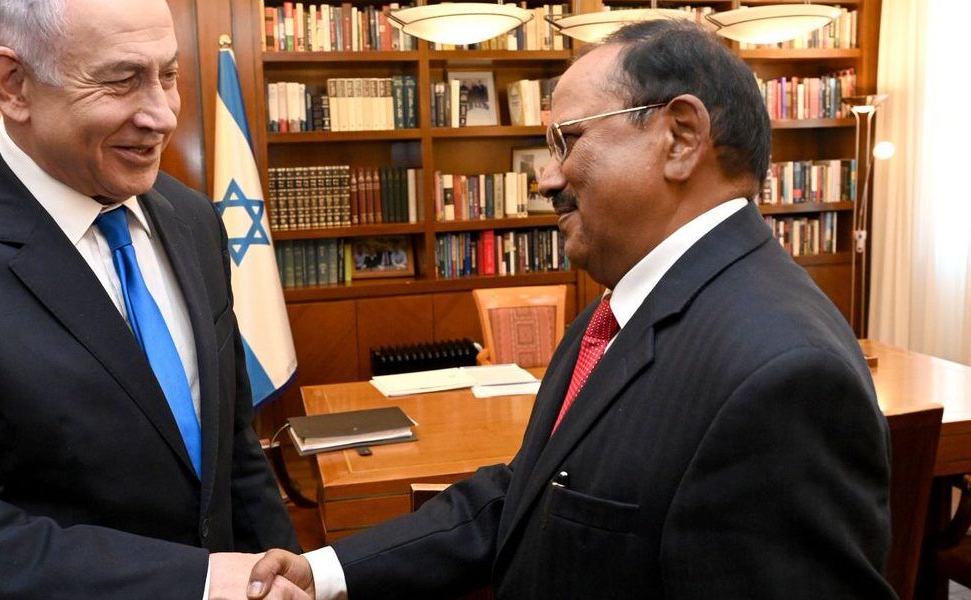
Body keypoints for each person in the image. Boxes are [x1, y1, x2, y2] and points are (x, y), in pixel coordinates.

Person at [245, 19, 893, 600]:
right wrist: (325, 572)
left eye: (568, 140)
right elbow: (528, 491)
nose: (546, 179)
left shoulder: (783, 377)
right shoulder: (612, 312)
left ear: (680, 137)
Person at [0, 0, 301, 598]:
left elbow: (233, 449)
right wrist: (198, 581)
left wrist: (286, 571)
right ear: (12, 84)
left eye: (169, 74)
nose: (162, 114)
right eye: (122, 80)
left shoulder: (192, 218)